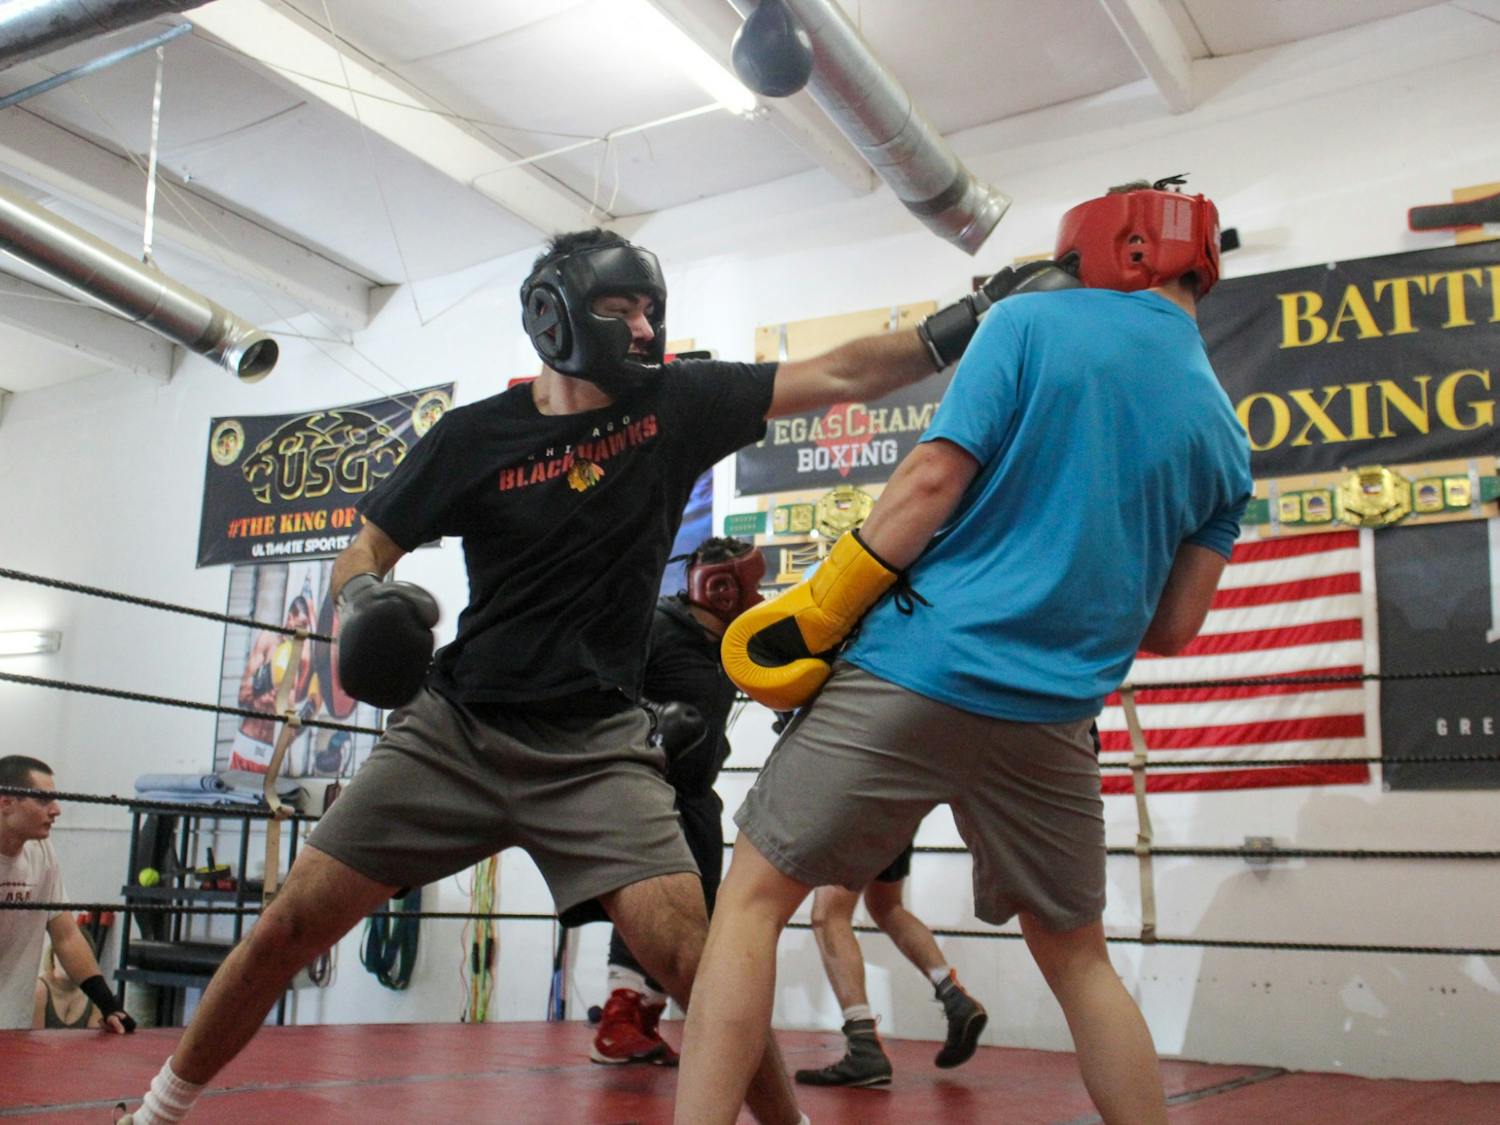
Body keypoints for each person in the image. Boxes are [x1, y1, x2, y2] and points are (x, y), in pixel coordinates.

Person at [121, 228, 1071, 1125]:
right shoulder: (470, 437)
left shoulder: (675, 405)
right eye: (625, 310)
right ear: (555, 316)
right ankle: (158, 1108)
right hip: (454, 734)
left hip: (598, 749)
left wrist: (972, 313)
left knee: (705, 964)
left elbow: (841, 371)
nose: (648, 331)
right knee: (289, 924)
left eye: (652, 310)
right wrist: (366, 601)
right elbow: (364, 545)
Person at [676, 178, 1254, 1125]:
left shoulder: (1034, 326)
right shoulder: (1226, 438)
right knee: (1080, 961)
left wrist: (826, 607)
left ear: (1123, 250)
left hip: (917, 668)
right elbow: (1172, 627)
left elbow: (933, 477)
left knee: (749, 902)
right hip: (1055, 717)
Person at [591, 536, 765, 1066]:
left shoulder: (728, 642)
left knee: (700, 907)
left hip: (695, 790)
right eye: (751, 583)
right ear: (721, 588)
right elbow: (601, 687)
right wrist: (655, 715)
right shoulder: (657, 627)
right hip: (646, 786)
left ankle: (645, 1018)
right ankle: (617, 1020)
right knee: (655, 896)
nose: (759, 593)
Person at [795, 838, 986, 1087]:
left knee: (830, 914)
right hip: (898, 811)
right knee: (886, 906)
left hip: (854, 807)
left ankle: (863, 1045)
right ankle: (953, 995)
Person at [0, 755, 136, 1034]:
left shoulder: (42, 853)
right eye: (44, 800)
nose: (56, 810)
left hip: (12, 1024)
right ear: (6, 803)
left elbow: (66, 936)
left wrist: (108, 1004)